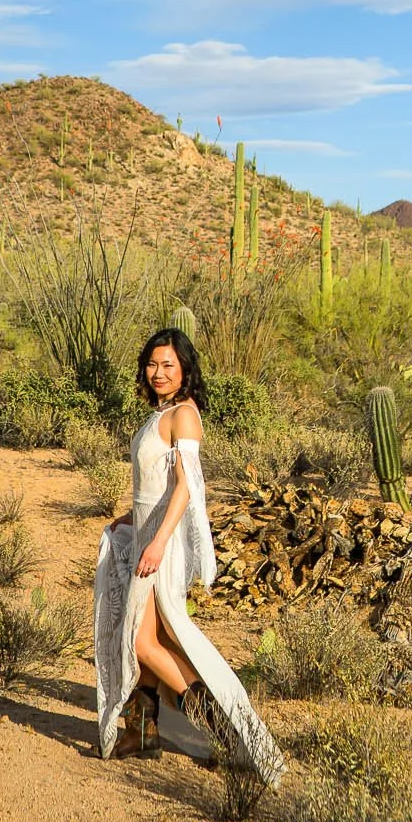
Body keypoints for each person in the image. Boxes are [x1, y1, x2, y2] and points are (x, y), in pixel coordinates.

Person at [92, 326, 284, 782]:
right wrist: (132, 519)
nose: (158, 373)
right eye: (152, 364)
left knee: (142, 642)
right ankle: (142, 732)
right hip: (149, 537)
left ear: (185, 370)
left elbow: (186, 487)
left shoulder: (184, 416)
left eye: (168, 365)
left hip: (164, 546)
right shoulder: (161, 413)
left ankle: (222, 729)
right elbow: (154, 488)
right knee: (150, 637)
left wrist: (158, 542)